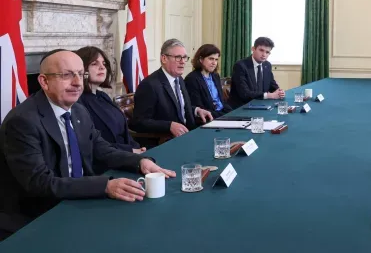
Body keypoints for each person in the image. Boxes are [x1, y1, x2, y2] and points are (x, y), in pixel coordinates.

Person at [0, 50, 175, 241]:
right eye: (67, 75)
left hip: (76, 199)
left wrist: (139, 161)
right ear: (44, 81)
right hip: (37, 216)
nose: (77, 83)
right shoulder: (22, 121)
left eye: (80, 74)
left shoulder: (78, 111)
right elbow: (40, 183)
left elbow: (102, 149)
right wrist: (105, 186)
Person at [75, 47, 145, 169]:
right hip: (107, 163)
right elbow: (93, 144)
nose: (102, 67)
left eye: (104, 63)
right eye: (94, 64)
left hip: (128, 155)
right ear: (81, 69)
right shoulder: (78, 102)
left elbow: (123, 130)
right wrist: (131, 151)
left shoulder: (102, 96)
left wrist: (136, 147)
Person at [130, 39, 213, 139]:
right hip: (167, 140)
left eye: (184, 57)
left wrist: (196, 110)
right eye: (178, 57)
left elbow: (178, 107)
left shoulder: (179, 79)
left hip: (189, 134)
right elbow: (138, 122)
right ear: (164, 58)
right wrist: (169, 126)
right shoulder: (149, 85)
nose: (183, 62)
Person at [228, 37, 285, 109]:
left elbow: (272, 85)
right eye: (261, 50)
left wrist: (279, 91)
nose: (264, 55)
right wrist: (269, 95)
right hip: (242, 107)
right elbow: (244, 93)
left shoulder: (267, 65)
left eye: (267, 52)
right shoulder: (240, 66)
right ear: (253, 49)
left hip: (261, 104)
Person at [185, 44, 232, 120]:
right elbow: (200, 108)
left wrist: (232, 113)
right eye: (211, 59)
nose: (214, 63)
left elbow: (221, 102)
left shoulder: (215, 76)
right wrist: (225, 116)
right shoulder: (191, 79)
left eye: (216, 59)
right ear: (201, 59)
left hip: (222, 114)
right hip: (209, 118)